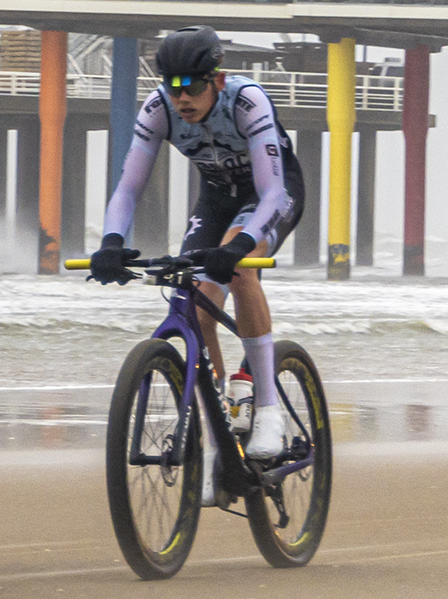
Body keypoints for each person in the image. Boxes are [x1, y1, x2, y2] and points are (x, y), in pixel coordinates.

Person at [90, 27, 304, 460]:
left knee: (240, 269)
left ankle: (267, 411)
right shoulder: (158, 110)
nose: (181, 98)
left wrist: (238, 246)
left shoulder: (247, 102)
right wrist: (111, 242)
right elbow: (128, 189)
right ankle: (222, 416)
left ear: (218, 81)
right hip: (216, 196)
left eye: (191, 86)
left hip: (269, 196)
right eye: (172, 86)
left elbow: (272, 193)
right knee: (195, 299)